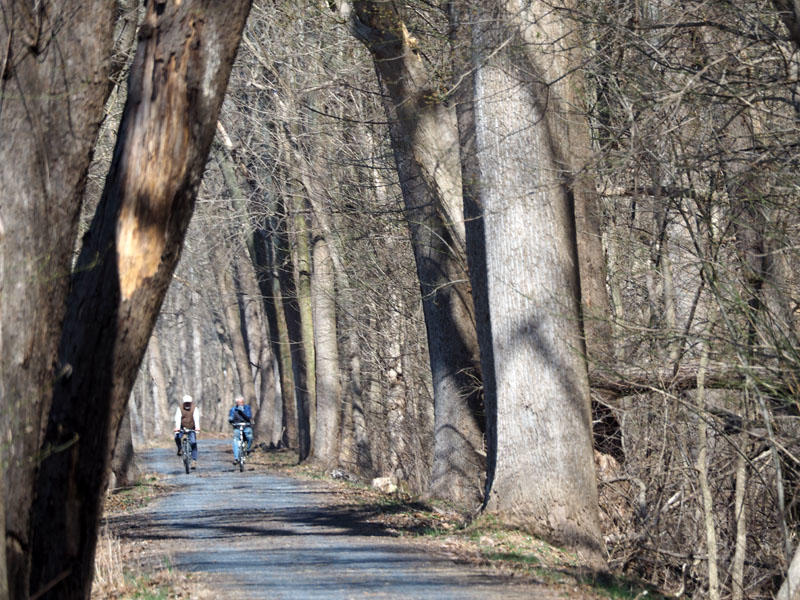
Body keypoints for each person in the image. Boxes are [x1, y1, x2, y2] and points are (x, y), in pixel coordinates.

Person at [174, 395, 201, 469]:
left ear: (191, 403)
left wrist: (197, 428)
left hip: (191, 427)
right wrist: (177, 428)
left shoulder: (194, 409)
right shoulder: (179, 408)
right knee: (177, 437)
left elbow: (196, 418)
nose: (187, 404)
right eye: (186, 403)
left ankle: (194, 460)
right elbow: (178, 418)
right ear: (183, 403)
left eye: (189, 403)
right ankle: (180, 448)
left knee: (193, 442)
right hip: (182, 427)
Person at [228, 395, 253, 464]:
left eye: (241, 402)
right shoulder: (233, 409)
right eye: (238, 403)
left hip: (246, 426)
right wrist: (231, 420)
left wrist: (242, 412)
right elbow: (231, 418)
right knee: (236, 441)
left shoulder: (247, 408)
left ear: (243, 402)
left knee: (250, 437)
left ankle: (248, 449)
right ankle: (236, 458)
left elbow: (249, 417)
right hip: (237, 427)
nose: (240, 404)